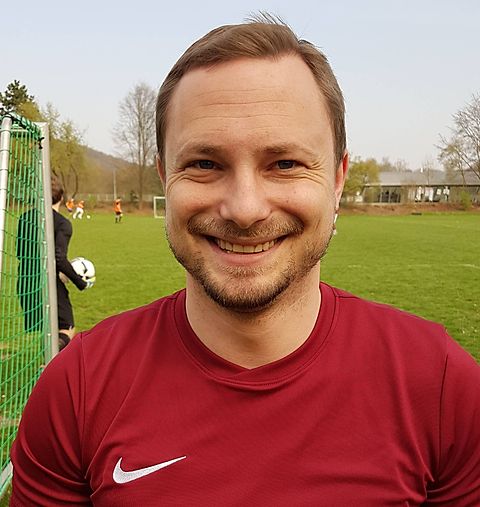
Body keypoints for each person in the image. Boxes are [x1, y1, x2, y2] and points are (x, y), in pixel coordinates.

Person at [10, 17, 480, 506]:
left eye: (285, 164)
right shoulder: (76, 389)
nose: (245, 209)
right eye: (205, 164)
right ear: (165, 177)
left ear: (338, 179)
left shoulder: (442, 386)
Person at [51, 177, 93, 350]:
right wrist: (80, 282)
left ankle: (46, 360)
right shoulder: (62, 224)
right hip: (49, 282)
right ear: (61, 198)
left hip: (25, 282)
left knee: (49, 326)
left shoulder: (26, 218)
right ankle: (51, 362)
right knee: (67, 327)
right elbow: (59, 258)